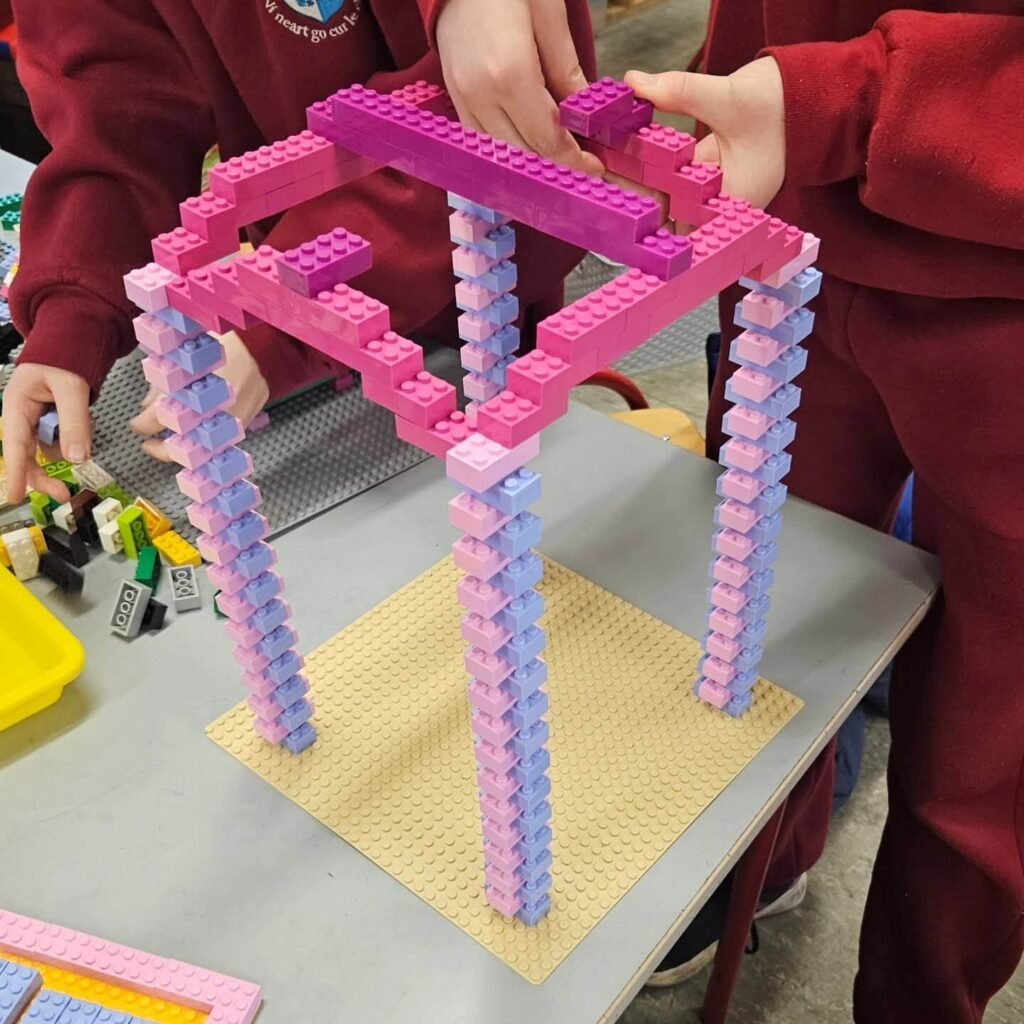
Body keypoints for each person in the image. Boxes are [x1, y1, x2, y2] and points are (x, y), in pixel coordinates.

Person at [624, 6, 1024, 1020]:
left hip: (1002, 295)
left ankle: (920, 1001)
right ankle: (766, 862)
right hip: (785, 230)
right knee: (751, 639)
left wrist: (840, 103)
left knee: (981, 758)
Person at [2, 0, 599, 503]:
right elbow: (115, 109)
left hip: (469, 300)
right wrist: (75, 311)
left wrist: (280, 318)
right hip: (308, 281)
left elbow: (493, 120)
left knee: (514, 482)